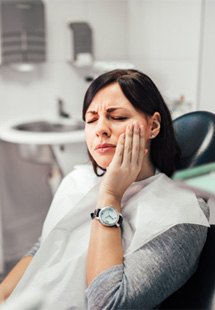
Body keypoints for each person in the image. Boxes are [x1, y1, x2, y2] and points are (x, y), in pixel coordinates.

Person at [0, 69, 209, 309]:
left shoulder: (181, 216)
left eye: (118, 117)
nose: (100, 128)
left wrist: (111, 195)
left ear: (153, 125)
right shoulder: (78, 180)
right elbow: (45, 247)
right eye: (91, 120)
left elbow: (108, 304)